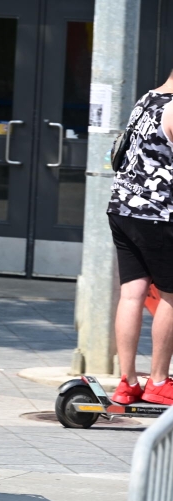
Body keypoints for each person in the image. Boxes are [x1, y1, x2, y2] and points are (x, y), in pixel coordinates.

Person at [108, 75, 173, 406]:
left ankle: (127, 382)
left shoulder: (146, 99)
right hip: (159, 215)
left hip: (122, 209)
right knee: (172, 296)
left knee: (132, 294)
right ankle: (159, 381)